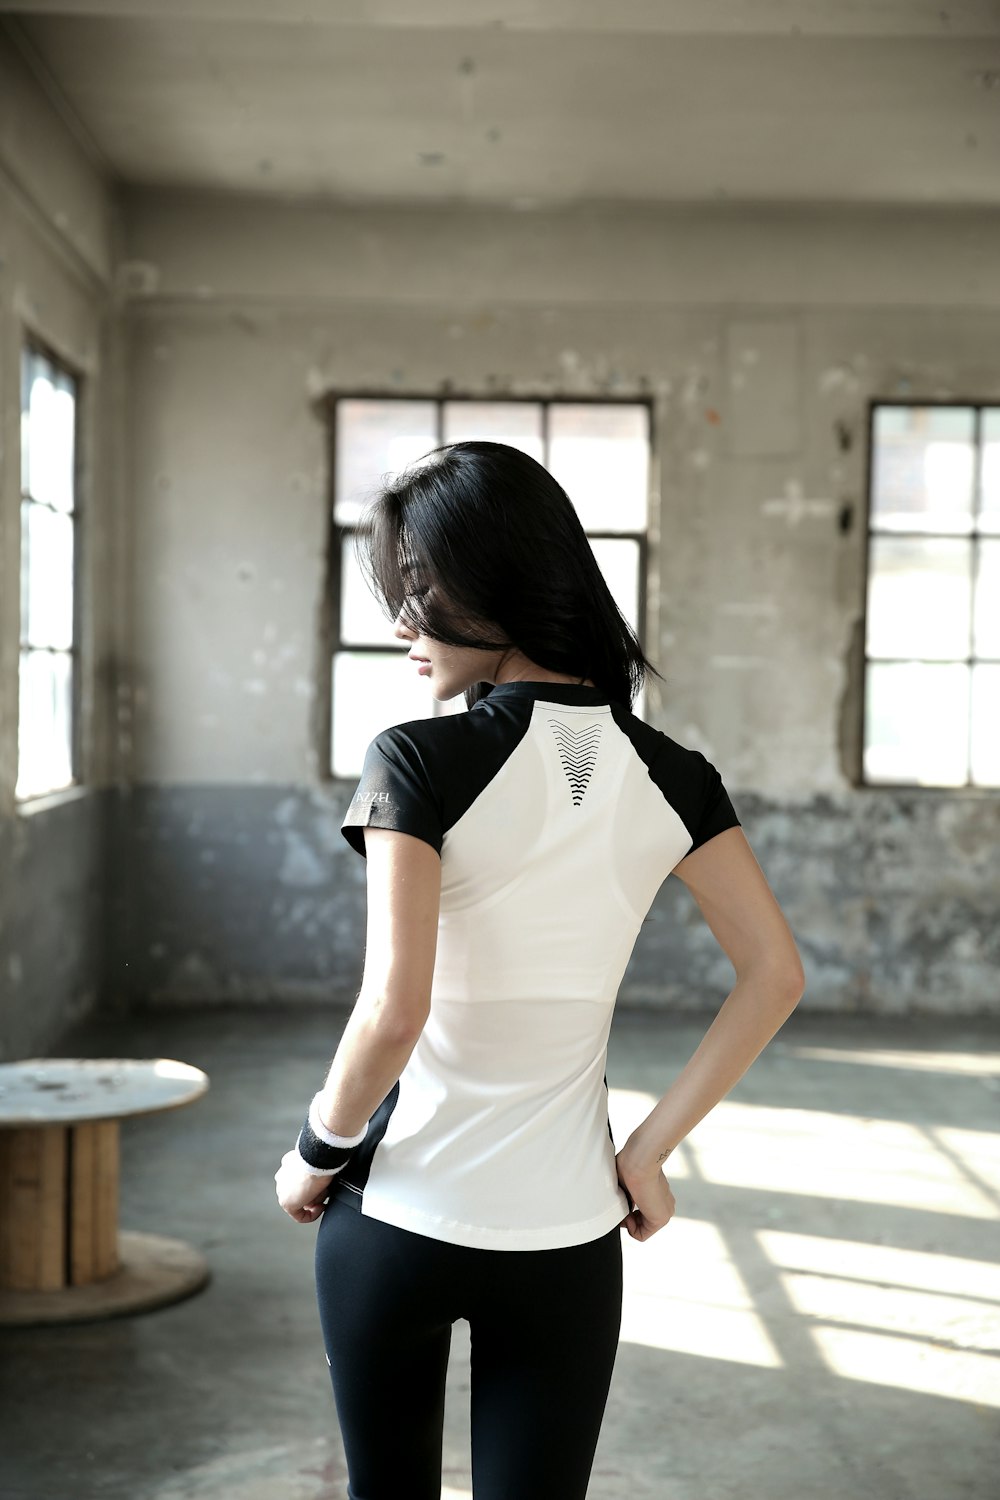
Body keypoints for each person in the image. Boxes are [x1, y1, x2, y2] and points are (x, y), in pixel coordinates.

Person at [274, 439, 805, 1500]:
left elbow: (393, 1009)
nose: (401, 622)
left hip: (397, 1218)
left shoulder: (415, 759)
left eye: (419, 587)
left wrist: (313, 1150)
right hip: (567, 1237)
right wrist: (648, 1153)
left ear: (497, 580)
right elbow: (774, 976)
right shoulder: (675, 777)